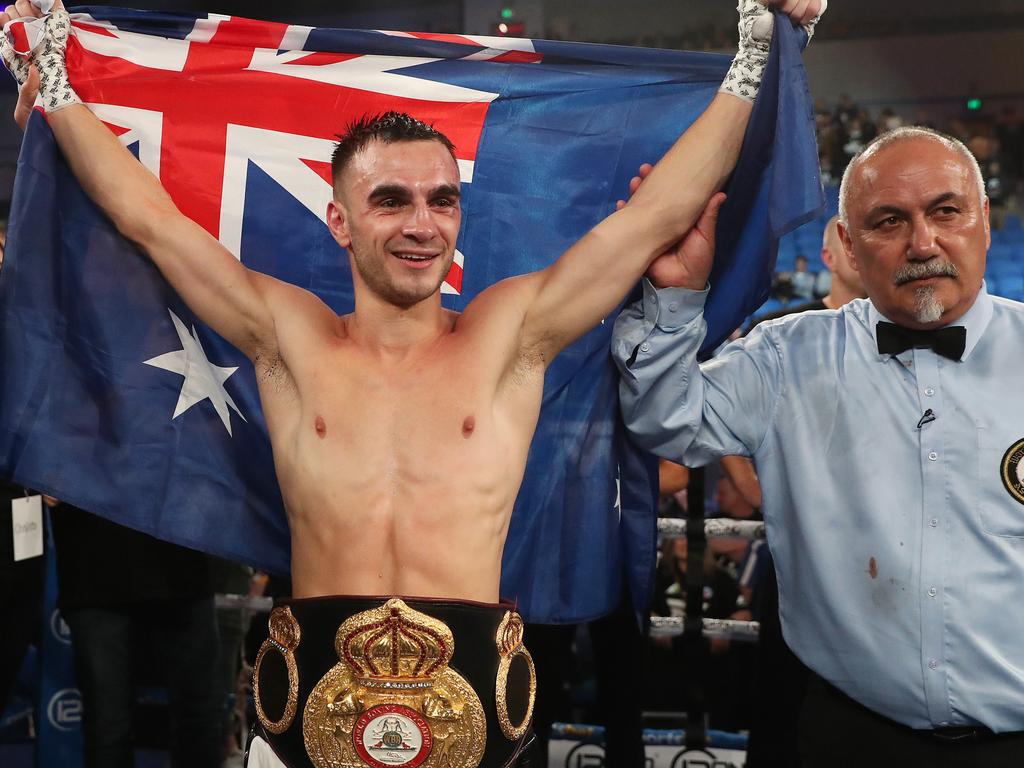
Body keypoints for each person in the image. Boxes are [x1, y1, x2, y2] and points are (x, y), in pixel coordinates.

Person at [2, 1, 822, 765]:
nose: (420, 223)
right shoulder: (290, 339)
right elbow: (151, 221)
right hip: (304, 718)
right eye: (389, 200)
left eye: (440, 199)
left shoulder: (510, 337)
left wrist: (758, 48)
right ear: (340, 220)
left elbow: (651, 217)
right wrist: (56, 78)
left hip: (476, 716)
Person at [613, 124, 1024, 766]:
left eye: (946, 211)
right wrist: (676, 293)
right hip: (847, 734)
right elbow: (664, 420)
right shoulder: (787, 356)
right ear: (848, 247)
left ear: (984, 222)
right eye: (889, 221)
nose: (923, 242)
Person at [48, 498, 223, 768]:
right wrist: (41, 467)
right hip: (91, 561)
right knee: (107, 725)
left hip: (180, 558)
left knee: (199, 716)